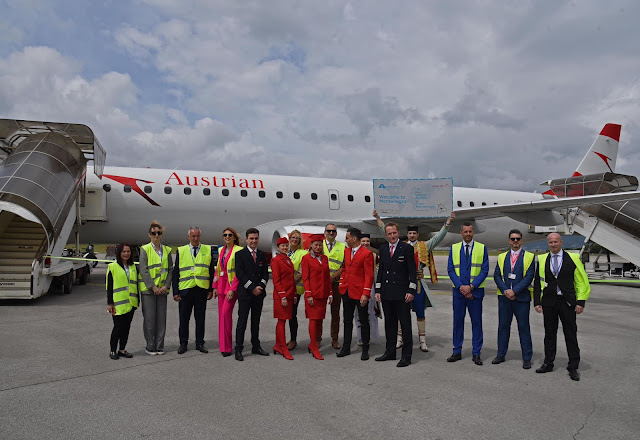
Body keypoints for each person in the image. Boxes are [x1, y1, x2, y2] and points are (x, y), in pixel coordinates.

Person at [374, 210, 455, 352]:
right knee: (400, 314)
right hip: (400, 285)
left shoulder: (425, 246)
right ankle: (400, 339)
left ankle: (422, 340)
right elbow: (385, 232)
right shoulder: (401, 246)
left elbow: (439, 238)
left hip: (417, 284)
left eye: (414, 233)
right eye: (410, 233)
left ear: (417, 235)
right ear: (407, 234)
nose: (412, 235)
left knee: (420, 312)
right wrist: (378, 219)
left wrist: (447, 223)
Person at [534, 233, 590, 381]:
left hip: (567, 302)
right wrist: (537, 302)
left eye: (556, 242)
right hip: (549, 302)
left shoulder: (573, 258)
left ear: (561, 242)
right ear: (548, 244)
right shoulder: (542, 259)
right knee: (549, 334)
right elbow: (538, 282)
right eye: (551, 242)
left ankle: (573, 367)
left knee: (570, 334)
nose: (553, 244)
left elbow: (581, 281)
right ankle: (548, 363)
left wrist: (580, 302)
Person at [374, 222, 417, 368]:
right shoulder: (384, 249)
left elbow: (412, 271)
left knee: (405, 325)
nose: (392, 236)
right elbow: (380, 271)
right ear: (386, 235)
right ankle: (390, 352)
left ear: (398, 233)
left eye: (394, 233)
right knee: (389, 325)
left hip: (402, 294)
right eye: (389, 234)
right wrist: (378, 290)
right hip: (387, 293)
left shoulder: (406, 248)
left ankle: (406, 356)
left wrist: (411, 290)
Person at [447, 222, 489, 365]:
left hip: (475, 293)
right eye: (465, 232)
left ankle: (476, 353)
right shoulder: (454, 248)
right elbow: (451, 269)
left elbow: (484, 270)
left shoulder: (482, 248)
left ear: (473, 233)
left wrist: (471, 287)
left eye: (470, 231)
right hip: (459, 293)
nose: (468, 234)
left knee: (476, 323)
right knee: (457, 323)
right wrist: (461, 287)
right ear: (461, 233)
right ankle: (456, 351)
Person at [492, 229, 535, 369]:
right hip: (505, 298)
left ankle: (527, 357)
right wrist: (506, 290)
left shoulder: (529, 257)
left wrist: (514, 291)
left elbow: (529, 277)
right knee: (503, 327)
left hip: (521, 298)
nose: (515, 241)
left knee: (523, 328)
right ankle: (501, 354)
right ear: (509, 241)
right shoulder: (502, 256)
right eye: (512, 239)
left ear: (521, 240)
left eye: (517, 239)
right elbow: (497, 275)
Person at [172, 226, 216, 354]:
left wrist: (210, 289)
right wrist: (175, 291)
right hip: (185, 290)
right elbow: (176, 273)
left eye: (197, 236)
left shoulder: (207, 249)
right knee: (184, 319)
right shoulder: (181, 250)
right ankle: (183, 343)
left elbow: (211, 271)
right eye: (193, 236)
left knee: (200, 319)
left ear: (200, 236)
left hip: (201, 290)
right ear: (189, 237)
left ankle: (199, 343)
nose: (195, 238)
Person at [337, 227, 374, 360]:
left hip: (360, 294)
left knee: (363, 321)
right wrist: (342, 283)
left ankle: (365, 349)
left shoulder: (366, 254)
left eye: (347, 238)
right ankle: (346, 347)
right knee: (347, 321)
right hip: (347, 291)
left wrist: (365, 293)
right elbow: (345, 269)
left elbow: (369, 276)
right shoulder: (347, 251)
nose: (345, 240)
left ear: (353, 238)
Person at [234, 227, 270, 361]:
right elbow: (240, 273)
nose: (254, 241)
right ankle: (238, 349)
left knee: (256, 321)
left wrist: (260, 286)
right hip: (245, 294)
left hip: (259, 294)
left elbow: (265, 273)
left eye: (256, 238)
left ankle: (256, 346)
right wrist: (252, 288)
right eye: (251, 239)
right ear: (246, 239)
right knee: (242, 322)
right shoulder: (240, 254)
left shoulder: (261, 254)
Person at [138, 220, 173, 355]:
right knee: (150, 319)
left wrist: (166, 286)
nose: (156, 235)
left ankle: (159, 346)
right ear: (149, 235)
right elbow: (143, 270)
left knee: (161, 320)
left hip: (162, 290)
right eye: (154, 233)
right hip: (149, 291)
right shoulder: (145, 249)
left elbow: (170, 269)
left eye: (159, 233)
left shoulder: (167, 250)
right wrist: (152, 287)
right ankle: (150, 346)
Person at [302, 234, 333, 360]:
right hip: (313, 295)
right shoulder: (306, 259)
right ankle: (314, 345)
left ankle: (313, 343)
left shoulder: (325, 258)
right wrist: (308, 294)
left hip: (323, 294)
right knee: (313, 320)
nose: (318, 247)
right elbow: (305, 278)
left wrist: (330, 293)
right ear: (311, 246)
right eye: (316, 245)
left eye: (320, 245)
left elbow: (327, 277)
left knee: (319, 320)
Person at [212, 227, 242, 357]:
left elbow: (239, 273)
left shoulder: (238, 251)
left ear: (234, 237)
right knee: (221, 318)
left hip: (230, 287)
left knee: (226, 315)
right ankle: (223, 347)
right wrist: (214, 286)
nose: (227, 237)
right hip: (220, 287)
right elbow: (217, 270)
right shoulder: (221, 250)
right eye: (225, 235)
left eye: (230, 235)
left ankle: (228, 347)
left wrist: (233, 289)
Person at [106, 243, 139, 360]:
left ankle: (122, 349)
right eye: (124, 252)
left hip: (131, 303)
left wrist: (137, 300)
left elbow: (136, 285)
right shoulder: (112, 267)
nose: (126, 254)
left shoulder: (133, 267)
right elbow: (109, 287)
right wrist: (110, 303)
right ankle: (112, 350)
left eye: (128, 252)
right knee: (117, 327)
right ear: (119, 253)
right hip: (118, 304)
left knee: (126, 328)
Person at [271, 237, 296, 360]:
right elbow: (276, 281)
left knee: (282, 321)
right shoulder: (276, 260)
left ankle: (277, 345)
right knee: (282, 321)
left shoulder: (288, 260)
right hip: (282, 296)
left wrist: (294, 294)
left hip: (289, 294)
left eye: (286, 246)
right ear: (278, 248)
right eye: (283, 246)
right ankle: (283, 348)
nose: (285, 248)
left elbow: (291, 279)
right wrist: (282, 296)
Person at [323, 223, 346, 349]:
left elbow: (344, 264)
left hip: (336, 283)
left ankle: (334, 338)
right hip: (321, 282)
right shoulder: (318, 245)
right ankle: (317, 338)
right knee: (319, 312)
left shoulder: (342, 246)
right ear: (325, 232)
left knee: (335, 312)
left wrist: (335, 276)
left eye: (333, 231)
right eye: (329, 231)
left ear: (336, 233)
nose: (331, 233)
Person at [355, 233, 380, 344]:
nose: (365, 243)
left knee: (370, 310)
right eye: (363, 241)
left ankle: (370, 335)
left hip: (371, 285)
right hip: (357, 285)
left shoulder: (374, 255)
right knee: (358, 311)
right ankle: (360, 335)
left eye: (367, 241)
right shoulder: (354, 253)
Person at [286, 229, 308, 350]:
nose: (294, 240)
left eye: (296, 238)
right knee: (286, 314)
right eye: (292, 238)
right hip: (285, 289)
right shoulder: (287, 252)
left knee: (292, 314)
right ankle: (288, 338)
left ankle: (293, 339)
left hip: (296, 288)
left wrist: (290, 283)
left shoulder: (302, 253)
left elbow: (301, 272)